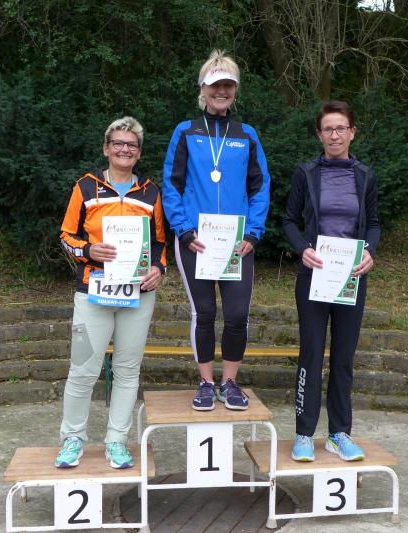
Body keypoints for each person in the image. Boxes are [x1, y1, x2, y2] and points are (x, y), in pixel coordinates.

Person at [162, 50, 271, 411]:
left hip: (237, 243)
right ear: (203, 89)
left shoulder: (247, 135)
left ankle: (231, 382)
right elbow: (172, 184)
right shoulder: (185, 131)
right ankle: (206, 382)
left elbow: (260, 187)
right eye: (215, 84)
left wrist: (253, 233)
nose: (221, 91)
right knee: (205, 312)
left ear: (235, 90)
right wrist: (183, 230)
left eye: (228, 85)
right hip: (196, 242)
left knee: (237, 314)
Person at [56, 116, 167, 469]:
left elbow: (160, 242)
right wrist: (89, 250)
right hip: (93, 291)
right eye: (118, 143)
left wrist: (159, 269)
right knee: (82, 370)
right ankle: (72, 438)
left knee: (127, 371)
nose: (124, 149)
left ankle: (117, 441)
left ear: (139, 153)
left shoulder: (150, 192)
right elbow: (66, 236)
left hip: (137, 294)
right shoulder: (85, 187)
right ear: (106, 148)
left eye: (131, 145)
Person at [282, 101, 380, 462]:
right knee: (311, 353)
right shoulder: (306, 173)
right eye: (328, 129)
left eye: (341, 128)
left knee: (343, 357)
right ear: (319, 134)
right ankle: (304, 434)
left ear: (352, 132)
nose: (334, 135)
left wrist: (370, 251)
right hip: (314, 276)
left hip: (351, 277)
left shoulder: (365, 175)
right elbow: (289, 220)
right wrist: (303, 248)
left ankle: (339, 433)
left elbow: (374, 223)